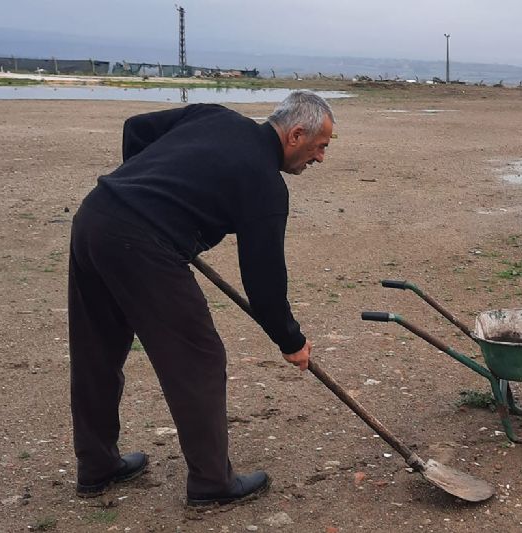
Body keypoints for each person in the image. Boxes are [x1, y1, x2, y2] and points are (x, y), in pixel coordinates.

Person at [67, 90, 335, 506]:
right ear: (296, 134)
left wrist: (138, 192)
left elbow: (136, 129)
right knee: (199, 358)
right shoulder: (265, 184)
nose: (320, 159)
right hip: (141, 243)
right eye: (320, 147)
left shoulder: (214, 116)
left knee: (96, 352)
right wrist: (291, 340)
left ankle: (97, 465)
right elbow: (264, 282)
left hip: (96, 216)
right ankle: (212, 483)